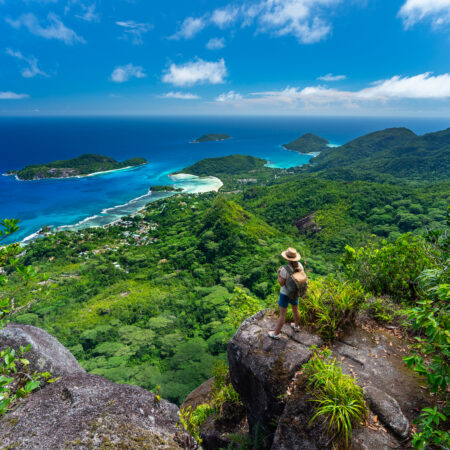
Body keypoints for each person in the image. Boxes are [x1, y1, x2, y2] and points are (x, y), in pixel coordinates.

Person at [268, 247, 304, 340]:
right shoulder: (300, 265)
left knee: (282, 314)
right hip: (295, 292)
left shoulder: (285, 269)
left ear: (287, 258)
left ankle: (276, 334)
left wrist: (278, 274)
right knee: (295, 309)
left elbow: (281, 283)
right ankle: (296, 326)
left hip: (285, 294)